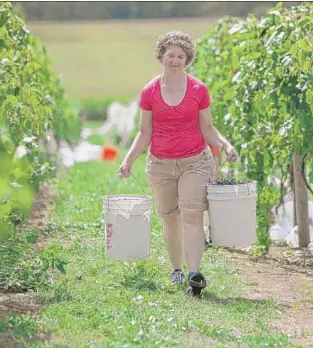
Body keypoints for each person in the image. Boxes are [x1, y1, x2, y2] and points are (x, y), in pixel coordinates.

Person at [117, 30, 238, 295]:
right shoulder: (149, 91)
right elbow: (144, 132)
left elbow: (207, 127)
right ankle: (177, 269)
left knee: (193, 216)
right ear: (161, 56)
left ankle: (194, 273)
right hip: (160, 164)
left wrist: (225, 144)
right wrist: (128, 160)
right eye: (170, 55)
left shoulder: (198, 89)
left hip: (195, 160)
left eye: (181, 56)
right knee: (171, 219)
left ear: (188, 59)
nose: (175, 60)